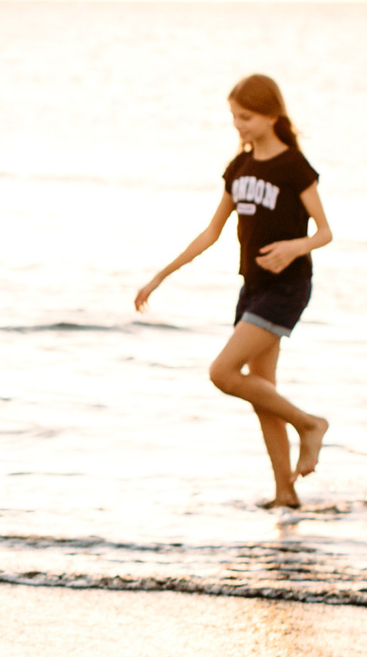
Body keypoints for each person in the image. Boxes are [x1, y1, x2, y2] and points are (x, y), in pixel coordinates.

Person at [133, 74, 334, 508]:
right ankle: (285, 494)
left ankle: (310, 424)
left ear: (271, 116)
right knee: (264, 395)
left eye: (245, 117)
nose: (238, 125)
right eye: (233, 117)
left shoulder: (294, 166)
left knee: (222, 373)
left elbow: (325, 232)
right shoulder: (239, 168)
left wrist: (294, 246)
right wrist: (160, 276)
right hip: (253, 288)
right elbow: (211, 233)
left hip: (288, 288)